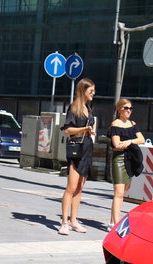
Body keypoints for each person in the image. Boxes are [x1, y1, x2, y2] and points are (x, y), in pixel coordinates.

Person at [58, 78, 96, 236]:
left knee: (80, 188)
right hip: (76, 148)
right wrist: (84, 128)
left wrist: (89, 130)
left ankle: (74, 220)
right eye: (91, 91)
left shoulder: (89, 108)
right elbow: (67, 130)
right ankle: (64, 222)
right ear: (82, 91)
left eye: (94, 91)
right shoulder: (74, 108)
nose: (93, 94)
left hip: (87, 148)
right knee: (71, 187)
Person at [107, 98, 147, 229]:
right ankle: (115, 223)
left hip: (130, 158)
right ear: (119, 109)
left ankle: (112, 221)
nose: (129, 110)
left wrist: (129, 142)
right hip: (119, 159)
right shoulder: (115, 124)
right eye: (126, 108)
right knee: (118, 192)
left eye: (130, 108)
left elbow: (141, 139)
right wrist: (129, 142)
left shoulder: (132, 123)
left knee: (124, 190)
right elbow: (117, 144)